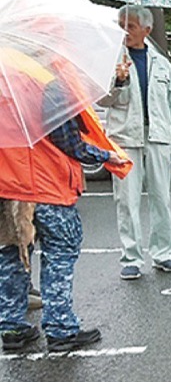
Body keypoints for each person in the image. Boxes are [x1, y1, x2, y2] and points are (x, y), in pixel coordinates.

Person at [1, 57, 128, 353]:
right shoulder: (50, 85)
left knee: (12, 255)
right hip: (47, 185)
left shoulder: (6, 79)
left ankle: (11, 326)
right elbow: (69, 142)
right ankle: (60, 328)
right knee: (60, 253)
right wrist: (106, 156)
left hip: (8, 186)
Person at [96, 5, 171, 280]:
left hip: (158, 135)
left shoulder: (161, 62)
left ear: (147, 30)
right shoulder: (113, 59)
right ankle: (131, 257)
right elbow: (102, 100)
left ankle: (164, 253)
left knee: (162, 197)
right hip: (124, 137)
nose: (125, 31)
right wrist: (118, 81)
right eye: (121, 24)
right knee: (127, 199)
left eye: (131, 26)